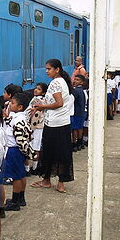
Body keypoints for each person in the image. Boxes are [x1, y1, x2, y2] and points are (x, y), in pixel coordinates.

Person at [30, 59, 74, 194]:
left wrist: (41, 106)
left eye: (49, 69)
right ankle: (59, 183)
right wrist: (42, 108)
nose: (47, 71)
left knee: (50, 152)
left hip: (54, 124)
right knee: (62, 153)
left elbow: (59, 103)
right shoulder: (62, 81)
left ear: (57, 69)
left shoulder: (55, 83)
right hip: (62, 122)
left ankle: (47, 180)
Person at [3, 92, 34, 211]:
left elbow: (20, 139)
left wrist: (25, 151)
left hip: (14, 150)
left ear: (20, 107)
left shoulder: (18, 120)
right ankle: (21, 198)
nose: (10, 104)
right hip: (18, 150)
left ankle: (15, 201)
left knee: (16, 177)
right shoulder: (20, 118)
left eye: (13, 103)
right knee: (21, 174)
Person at [27, 83, 47, 174]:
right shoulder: (43, 100)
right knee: (36, 147)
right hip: (40, 127)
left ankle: (32, 168)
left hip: (35, 128)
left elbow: (35, 116)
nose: (35, 90)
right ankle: (35, 167)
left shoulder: (37, 100)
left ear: (43, 92)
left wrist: (31, 127)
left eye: (38, 89)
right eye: (36, 88)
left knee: (34, 147)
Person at [71, 75, 86, 151]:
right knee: (80, 128)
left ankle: (74, 143)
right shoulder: (82, 90)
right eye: (75, 79)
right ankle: (80, 142)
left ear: (82, 82)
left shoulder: (76, 91)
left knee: (74, 129)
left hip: (76, 113)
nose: (74, 81)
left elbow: (71, 100)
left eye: (77, 80)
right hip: (81, 112)